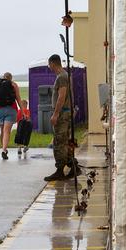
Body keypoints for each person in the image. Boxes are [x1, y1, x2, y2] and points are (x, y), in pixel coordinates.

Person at [44, 54, 75, 182]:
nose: (49, 67)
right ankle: (73, 166)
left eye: (49, 64)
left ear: (52, 63)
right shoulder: (64, 75)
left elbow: (61, 97)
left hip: (62, 114)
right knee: (65, 141)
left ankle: (60, 170)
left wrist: (56, 114)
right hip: (65, 112)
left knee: (59, 142)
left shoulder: (62, 77)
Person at [0, 72, 23, 160]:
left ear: (3, 77)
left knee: (2, 130)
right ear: (11, 78)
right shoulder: (14, 85)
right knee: (7, 131)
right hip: (11, 110)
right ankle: (4, 150)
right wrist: (23, 111)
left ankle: (3, 148)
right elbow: (18, 99)